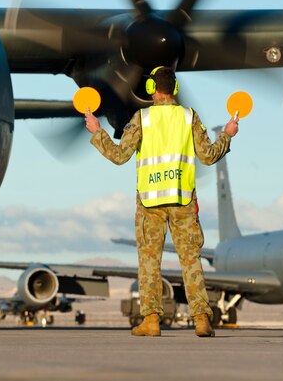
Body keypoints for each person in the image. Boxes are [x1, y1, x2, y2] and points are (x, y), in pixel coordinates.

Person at [85, 66, 239, 337]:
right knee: (191, 260)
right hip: (183, 201)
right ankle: (202, 319)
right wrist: (226, 134)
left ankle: (151, 320)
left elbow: (120, 156)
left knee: (149, 261)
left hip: (150, 203)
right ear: (175, 90)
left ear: (150, 89)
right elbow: (208, 156)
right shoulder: (189, 117)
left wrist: (97, 131)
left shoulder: (142, 118)